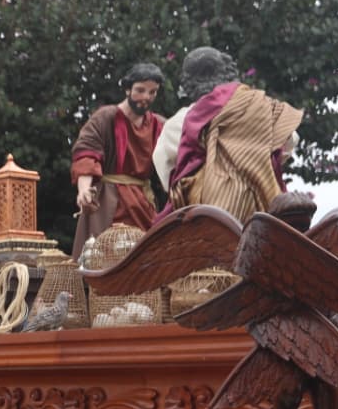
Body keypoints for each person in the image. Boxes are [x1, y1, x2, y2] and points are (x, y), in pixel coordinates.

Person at [157, 47, 304, 224]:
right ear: (227, 71)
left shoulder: (178, 122)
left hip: (205, 218)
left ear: (188, 81)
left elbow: (166, 169)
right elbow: (291, 139)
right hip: (266, 210)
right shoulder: (262, 106)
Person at [70, 63, 166, 258]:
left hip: (142, 202)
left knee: (146, 257)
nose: (146, 97)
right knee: (102, 257)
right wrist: (84, 191)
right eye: (140, 90)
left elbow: (177, 160)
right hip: (108, 200)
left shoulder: (159, 124)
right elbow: (87, 154)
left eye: (152, 92)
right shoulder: (106, 118)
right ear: (128, 89)